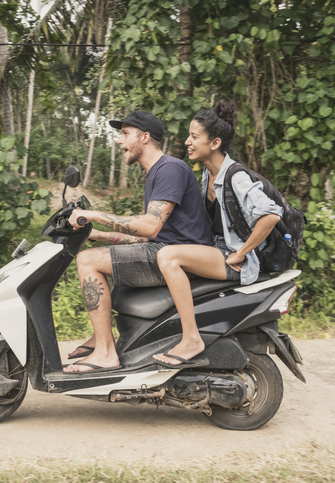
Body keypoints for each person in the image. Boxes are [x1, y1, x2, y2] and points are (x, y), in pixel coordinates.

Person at [64, 110, 212, 373]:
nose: (120, 142)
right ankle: (102, 338)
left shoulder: (169, 169)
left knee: (88, 260)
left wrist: (93, 214)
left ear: (144, 138)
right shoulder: (158, 173)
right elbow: (146, 234)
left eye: (124, 134)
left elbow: (151, 226)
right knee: (98, 252)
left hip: (175, 256)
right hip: (163, 249)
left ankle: (106, 352)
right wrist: (98, 234)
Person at [152, 100, 283, 368]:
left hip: (233, 257)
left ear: (214, 143)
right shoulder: (208, 175)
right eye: (189, 135)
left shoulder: (235, 176)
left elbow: (271, 214)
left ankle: (192, 339)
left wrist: (242, 252)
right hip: (217, 249)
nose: (188, 142)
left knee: (169, 258)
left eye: (194, 136)